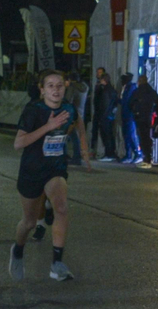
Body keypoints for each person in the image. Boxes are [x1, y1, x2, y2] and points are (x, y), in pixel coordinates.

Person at [10, 68, 96, 282]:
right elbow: (18, 143)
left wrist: (84, 150)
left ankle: (57, 263)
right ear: (42, 90)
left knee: (62, 207)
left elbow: (79, 125)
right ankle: (17, 250)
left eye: (59, 85)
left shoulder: (69, 109)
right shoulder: (33, 110)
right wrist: (48, 126)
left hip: (55, 168)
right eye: (50, 86)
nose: (55, 90)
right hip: (31, 170)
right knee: (29, 222)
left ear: (65, 87)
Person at [89, 69, 118, 161]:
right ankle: (110, 153)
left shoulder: (105, 90)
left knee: (106, 135)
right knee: (109, 134)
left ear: (104, 80)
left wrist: (102, 116)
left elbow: (104, 105)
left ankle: (109, 154)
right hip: (109, 116)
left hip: (104, 116)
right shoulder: (111, 89)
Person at [130, 74, 158, 166]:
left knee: (142, 137)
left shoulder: (137, 92)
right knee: (147, 136)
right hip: (148, 117)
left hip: (139, 117)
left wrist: (134, 111)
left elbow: (130, 103)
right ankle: (149, 155)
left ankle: (146, 156)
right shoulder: (151, 91)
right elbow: (157, 102)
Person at [117, 73, 142, 163]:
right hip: (125, 114)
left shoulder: (131, 87)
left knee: (131, 135)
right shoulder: (126, 87)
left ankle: (138, 154)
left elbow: (127, 101)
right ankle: (128, 155)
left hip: (130, 115)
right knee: (126, 135)